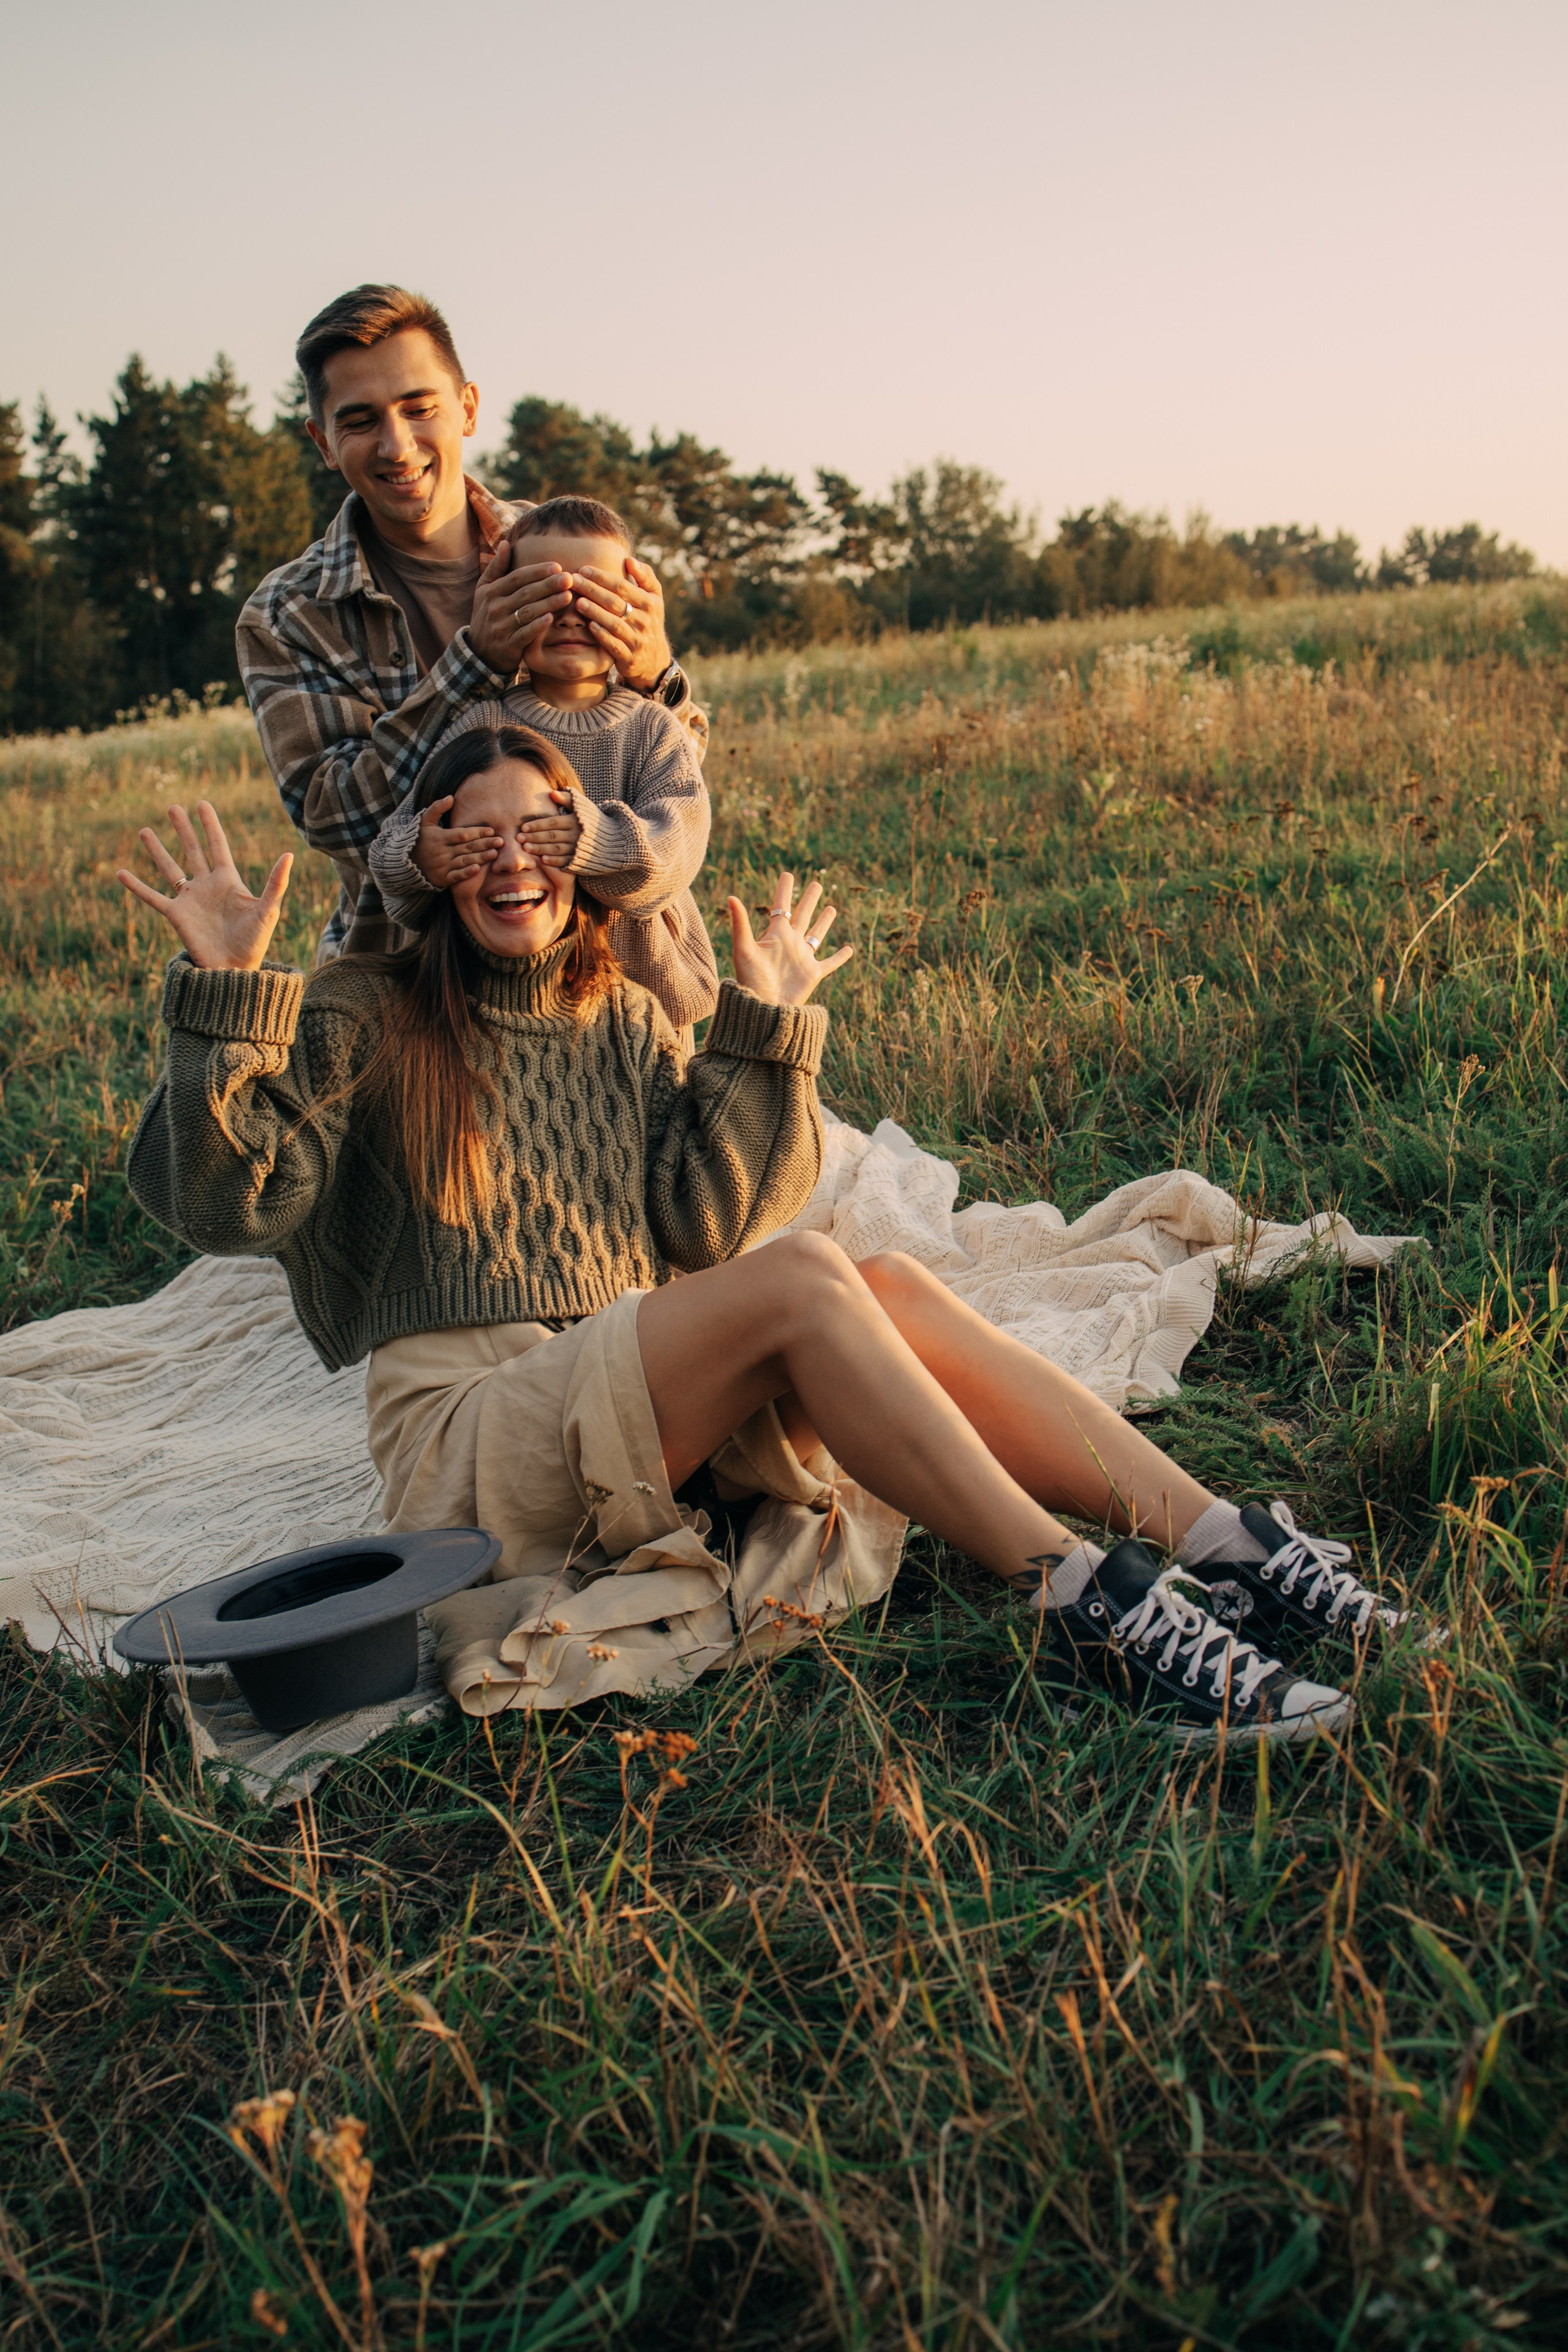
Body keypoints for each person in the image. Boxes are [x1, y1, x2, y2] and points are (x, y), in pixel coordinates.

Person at [116, 732, 1414, 1747]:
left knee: (886, 1282)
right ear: (428, 858)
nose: (513, 858)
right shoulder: (365, 1010)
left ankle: (1227, 1549)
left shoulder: (617, 1018)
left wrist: (762, 1027)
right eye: (475, 832)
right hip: (472, 1447)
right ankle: (1084, 1599)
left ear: (586, 851)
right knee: (812, 1278)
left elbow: (705, 1222)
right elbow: (232, 1205)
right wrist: (226, 1003)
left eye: (544, 826)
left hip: (628, 1409)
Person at [237, 283, 706, 962]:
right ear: (324, 442)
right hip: (408, 975)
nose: (398, 446)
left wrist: (656, 676)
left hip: (610, 972)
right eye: (361, 421)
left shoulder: (572, 551)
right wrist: (473, 665)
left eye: (419, 408)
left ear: (468, 409)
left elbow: (673, 785)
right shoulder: (288, 613)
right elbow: (338, 820)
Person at [368, 496, 717, 1032]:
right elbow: (393, 851)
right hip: (506, 1003)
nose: (573, 613)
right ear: (504, 602)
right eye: (547, 594)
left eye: (599, 596)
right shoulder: (480, 724)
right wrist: (422, 856)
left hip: (647, 1001)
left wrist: (602, 841)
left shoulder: (653, 727)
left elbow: (681, 846)